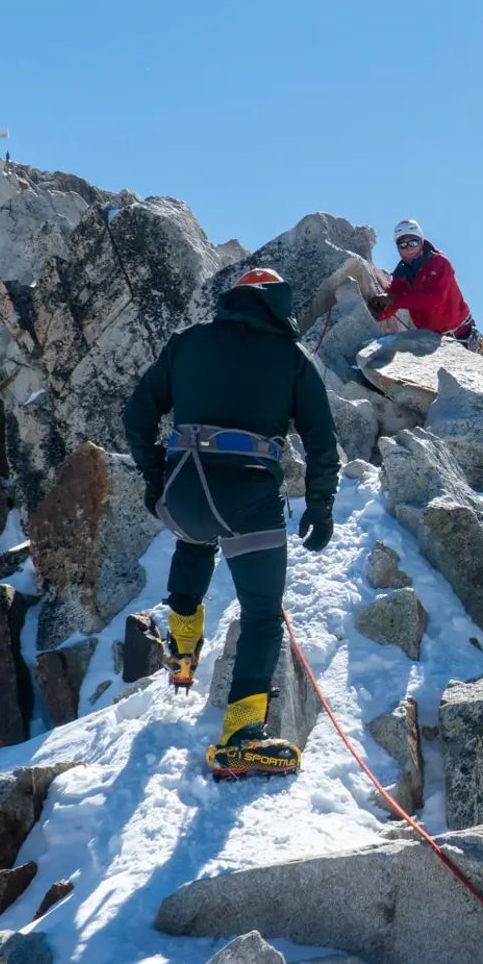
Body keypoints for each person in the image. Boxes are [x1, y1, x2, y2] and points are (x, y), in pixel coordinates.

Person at [123, 266, 340, 779]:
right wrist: (320, 504)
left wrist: (157, 481)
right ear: (279, 305)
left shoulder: (188, 343)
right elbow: (321, 439)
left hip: (184, 492)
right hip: (248, 499)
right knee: (262, 616)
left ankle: (181, 648)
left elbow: (137, 414)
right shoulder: (291, 359)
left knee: (195, 541)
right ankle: (241, 735)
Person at [369, 219, 483, 357]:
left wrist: (394, 300)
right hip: (433, 341)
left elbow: (435, 299)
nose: (408, 248)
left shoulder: (439, 263)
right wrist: (380, 312)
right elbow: (394, 295)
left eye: (413, 242)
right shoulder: (401, 274)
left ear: (421, 242)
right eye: (402, 244)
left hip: (461, 335)